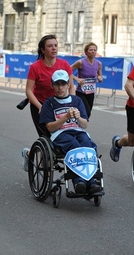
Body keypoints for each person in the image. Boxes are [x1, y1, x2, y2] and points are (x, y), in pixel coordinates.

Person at [39, 69, 101, 194]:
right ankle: (79, 181)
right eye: (57, 84)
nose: (60, 87)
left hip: (78, 131)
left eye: (63, 84)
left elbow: (85, 124)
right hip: (60, 134)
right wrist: (65, 118)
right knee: (74, 146)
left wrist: (78, 118)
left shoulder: (77, 101)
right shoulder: (49, 103)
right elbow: (50, 127)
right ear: (52, 85)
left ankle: (92, 181)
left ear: (68, 85)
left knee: (87, 146)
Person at [22, 34, 76, 171]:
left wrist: (73, 104)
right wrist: (40, 107)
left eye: (56, 45)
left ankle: (30, 154)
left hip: (59, 105)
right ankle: (44, 171)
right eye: (50, 46)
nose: (54, 48)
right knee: (46, 138)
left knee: (62, 135)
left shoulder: (64, 65)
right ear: (43, 49)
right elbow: (29, 91)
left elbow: (71, 86)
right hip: (39, 105)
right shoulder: (35, 67)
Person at [71, 42, 102, 118]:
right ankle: (78, 126)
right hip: (81, 92)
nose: (93, 51)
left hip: (91, 92)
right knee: (86, 111)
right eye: (91, 50)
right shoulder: (80, 62)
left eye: (95, 50)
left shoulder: (98, 64)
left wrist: (100, 78)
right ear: (86, 52)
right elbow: (67, 70)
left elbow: (100, 76)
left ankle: (79, 126)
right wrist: (77, 79)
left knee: (88, 114)